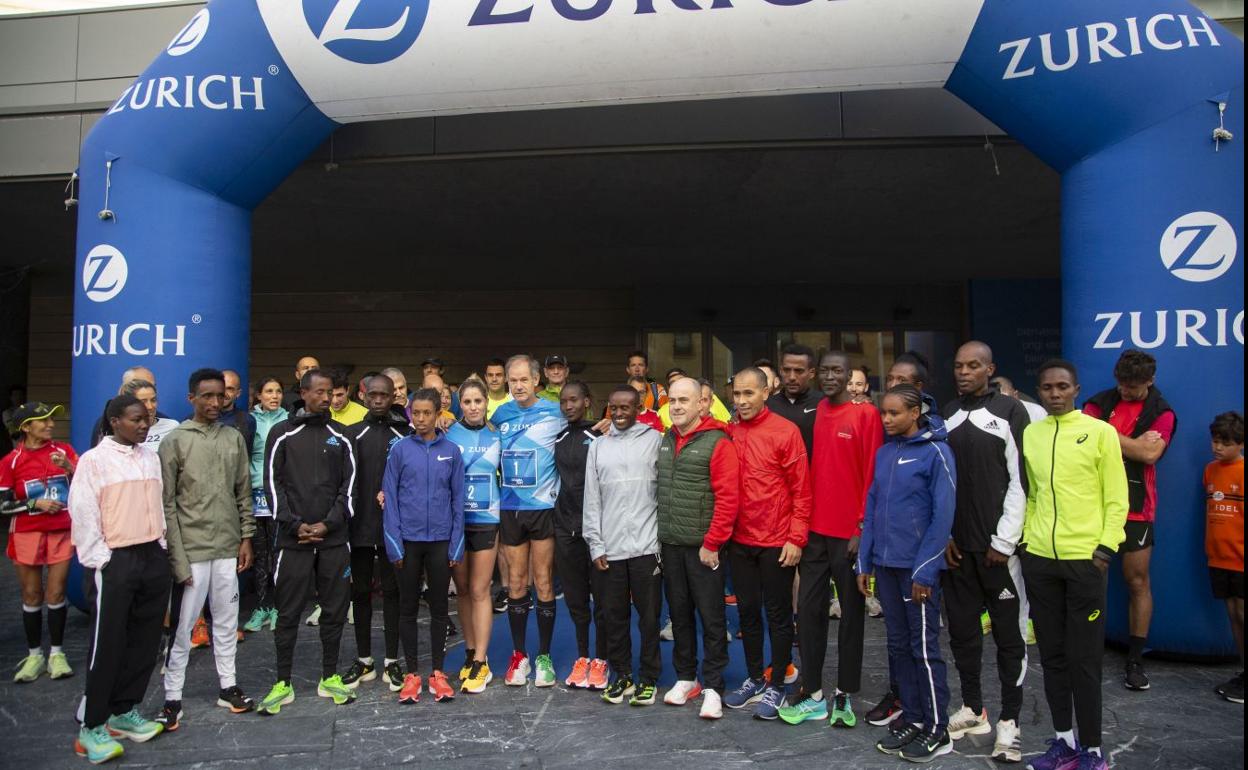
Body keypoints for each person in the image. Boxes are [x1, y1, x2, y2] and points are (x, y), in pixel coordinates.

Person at [1020, 359, 1127, 770]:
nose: (1055, 394)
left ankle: (1093, 751)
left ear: (1077, 389)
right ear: (1040, 391)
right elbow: (1032, 495)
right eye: (1047, 388)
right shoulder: (1032, 434)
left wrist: (1104, 550)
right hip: (1042, 561)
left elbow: (1117, 497)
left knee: (1085, 660)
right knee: (1053, 656)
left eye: (1063, 387)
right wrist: (1029, 541)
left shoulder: (1100, 433)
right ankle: (1064, 742)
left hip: (1086, 561)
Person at [940, 341, 1031, 762]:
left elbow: (1021, 481)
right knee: (962, 634)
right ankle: (974, 709)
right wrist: (945, 536)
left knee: (1009, 639)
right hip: (957, 552)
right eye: (959, 365)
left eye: (973, 365)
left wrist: (1004, 541)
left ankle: (1010, 723)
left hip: (999, 553)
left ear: (990, 368)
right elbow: (939, 483)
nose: (964, 372)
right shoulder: (946, 414)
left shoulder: (1012, 412)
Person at [780, 350, 881, 728]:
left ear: (849, 375)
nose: (831, 376)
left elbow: (873, 472)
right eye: (825, 371)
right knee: (808, 612)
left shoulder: (866, 414)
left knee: (852, 615)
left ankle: (845, 693)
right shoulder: (817, 411)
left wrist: (862, 529)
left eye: (838, 370)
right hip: (815, 533)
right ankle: (813, 690)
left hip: (849, 535)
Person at [857, 384, 956, 762]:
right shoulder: (884, 453)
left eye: (894, 413)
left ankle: (938, 728)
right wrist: (864, 562)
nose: (886, 419)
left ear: (915, 413)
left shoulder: (937, 452)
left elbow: (942, 517)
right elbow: (872, 507)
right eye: (883, 413)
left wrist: (926, 571)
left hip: (917, 573)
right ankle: (914, 717)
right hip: (884, 566)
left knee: (924, 650)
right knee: (898, 646)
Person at [68, 394, 169, 764]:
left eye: (146, 419)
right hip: (116, 562)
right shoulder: (94, 461)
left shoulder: (150, 457)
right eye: (135, 419)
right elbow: (82, 512)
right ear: (114, 421)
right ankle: (91, 727)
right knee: (107, 645)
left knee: (144, 641)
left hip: (152, 557)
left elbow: (157, 504)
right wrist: (102, 561)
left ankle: (123, 711)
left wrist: (161, 545)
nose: (143, 424)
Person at [156, 369, 256, 731]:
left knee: (227, 622)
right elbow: (166, 504)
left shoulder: (233, 438)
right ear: (191, 399)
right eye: (207, 396)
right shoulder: (175, 441)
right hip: (191, 551)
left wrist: (246, 537)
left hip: (227, 546)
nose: (216, 402)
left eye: (220, 396)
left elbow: (243, 492)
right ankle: (172, 697)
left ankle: (228, 686)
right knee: (182, 629)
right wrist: (176, 556)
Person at [257, 369, 359, 714]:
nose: (326, 398)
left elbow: (350, 487)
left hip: (333, 541)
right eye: (319, 392)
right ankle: (282, 682)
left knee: (333, 612)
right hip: (292, 541)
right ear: (303, 393)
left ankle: (329, 676)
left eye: (330, 392)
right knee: (287, 614)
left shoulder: (342, 435)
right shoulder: (282, 433)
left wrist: (329, 524)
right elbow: (273, 484)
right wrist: (293, 523)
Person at [1082, 349, 1176, 692]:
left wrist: (1103, 434)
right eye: (1121, 383)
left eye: (1133, 386)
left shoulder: (1162, 412)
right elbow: (1082, 441)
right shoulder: (1098, 401)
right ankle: (1086, 648)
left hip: (1137, 508)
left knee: (1136, 580)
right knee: (1090, 577)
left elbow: (1149, 453)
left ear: (1149, 381)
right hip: (1095, 504)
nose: (1125, 391)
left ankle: (1135, 659)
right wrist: (1129, 443)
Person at [722, 367, 811, 720]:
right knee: (746, 613)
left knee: (777, 616)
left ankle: (777, 684)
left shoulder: (786, 431)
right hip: (740, 541)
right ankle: (755, 677)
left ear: (765, 393)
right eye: (737, 394)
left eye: (749, 394)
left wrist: (796, 537)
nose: (741, 401)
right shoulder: (729, 432)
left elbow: (802, 490)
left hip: (777, 541)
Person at [658, 377, 740, 719]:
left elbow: (728, 498)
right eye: (673, 400)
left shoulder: (718, 442)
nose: (677, 406)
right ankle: (686, 678)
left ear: (701, 405)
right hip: (672, 545)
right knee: (679, 615)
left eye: (684, 400)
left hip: (704, 549)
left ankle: (713, 687)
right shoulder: (666, 438)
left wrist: (713, 543)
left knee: (712, 618)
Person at [381, 387, 465, 704]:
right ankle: (413, 673)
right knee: (407, 608)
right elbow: (389, 500)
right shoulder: (400, 450)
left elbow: (458, 500)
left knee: (441, 609)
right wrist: (394, 545)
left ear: (437, 414)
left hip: (441, 542)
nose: (420, 418)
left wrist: (456, 545)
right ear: (410, 414)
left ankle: (438, 673)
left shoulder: (452, 451)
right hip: (408, 543)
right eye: (415, 413)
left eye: (427, 413)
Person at [582, 385, 664, 706]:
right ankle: (624, 675)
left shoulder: (655, 441)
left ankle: (648, 678)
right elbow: (592, 499)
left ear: (639, 408)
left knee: (649, 617)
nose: (618, 413)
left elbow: (663, 496)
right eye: (613, 408)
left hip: (647, 546)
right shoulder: (598, 447)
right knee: (614, 616)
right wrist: (595, 545)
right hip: (610, 548)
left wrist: (660, 544)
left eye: (625, 408)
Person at [492, 354, 567, 687]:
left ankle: (545, 656)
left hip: (543, 509)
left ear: (537, 380)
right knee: (516, 584)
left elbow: (578, 434)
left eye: (524, 379)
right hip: (510, 509)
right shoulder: (501, 414)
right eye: (513, 380)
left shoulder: (555, 411)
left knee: (544, 582)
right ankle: (519, 655)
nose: (518, 386)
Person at [341, 374, 412, 693]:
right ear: (365, 396)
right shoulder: (351, 433)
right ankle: (364, 658)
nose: (380, 399)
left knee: (393, 593)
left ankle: (392, 661)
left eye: (386, 394)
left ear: (394, 397)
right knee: (360, 594)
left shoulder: (406, 433)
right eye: (374, 395)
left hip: (395, 529)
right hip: (359, 527)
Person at [2, 401, 77, 683]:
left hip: (61, 531)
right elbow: (3, 504)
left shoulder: (64, 451)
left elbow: (85, 482)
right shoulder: (10, 461)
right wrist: (34, 502)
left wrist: (69, 467)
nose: (50, 424)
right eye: (43, 420)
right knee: (32, 594)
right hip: (26, 534)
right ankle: (35, 655)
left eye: (51, 419)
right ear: (26, 427)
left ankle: (57, 654)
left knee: (56, 594)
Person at [446, 379, 502, 694]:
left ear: (485, 402)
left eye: (477, 401)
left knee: (481, 590)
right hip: (456, 524)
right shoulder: (448, 434)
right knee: (464, 590)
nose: (472, 407)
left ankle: (482, 661)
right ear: (460, 405)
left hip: (486, 522)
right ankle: (470, 652)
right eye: (466, 402)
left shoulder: (497, 435)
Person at [552, 381, 609, 690]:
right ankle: (583, 656)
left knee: (600, 600)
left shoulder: (601, 433)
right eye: (564, 401)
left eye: (574, 400)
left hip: (596, 531)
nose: (569, 405)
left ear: (587, 402)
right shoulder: (558, 437)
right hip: (565, 529)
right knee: (575, 601)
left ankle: (601, 659)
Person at [241, 377, 287, 633]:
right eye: (268, 391)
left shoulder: (289, 419)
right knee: (259, 555)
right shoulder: (249, 421)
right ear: (258, 396)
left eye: (278, 391)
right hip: (255, 492)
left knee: (279, 554)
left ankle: (280, 607)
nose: (274, 395)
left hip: (279, 493)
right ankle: (261, 607)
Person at [1205, 412, 1244, 704]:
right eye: (1215, 441)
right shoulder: (1210, 470)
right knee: (1233, 617)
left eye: (1225, 443)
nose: (1218, 447)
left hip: (1241, 560)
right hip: (1219, 559)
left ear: (1239, 444)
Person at [767, 343, 822, 458]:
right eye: (787, 370)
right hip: (777, 475)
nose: (792, 377)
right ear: (781, 371)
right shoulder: (767, 405)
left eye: (799, 371)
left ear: (811, 373)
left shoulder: (823, 403)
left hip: (812, 474)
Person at [219, 370, 258, 451]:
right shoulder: (198, 419)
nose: (225, 393)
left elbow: (246, 455)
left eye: (230, 389)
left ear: (238, 393)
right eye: (221, 388)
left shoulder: (248, 420)